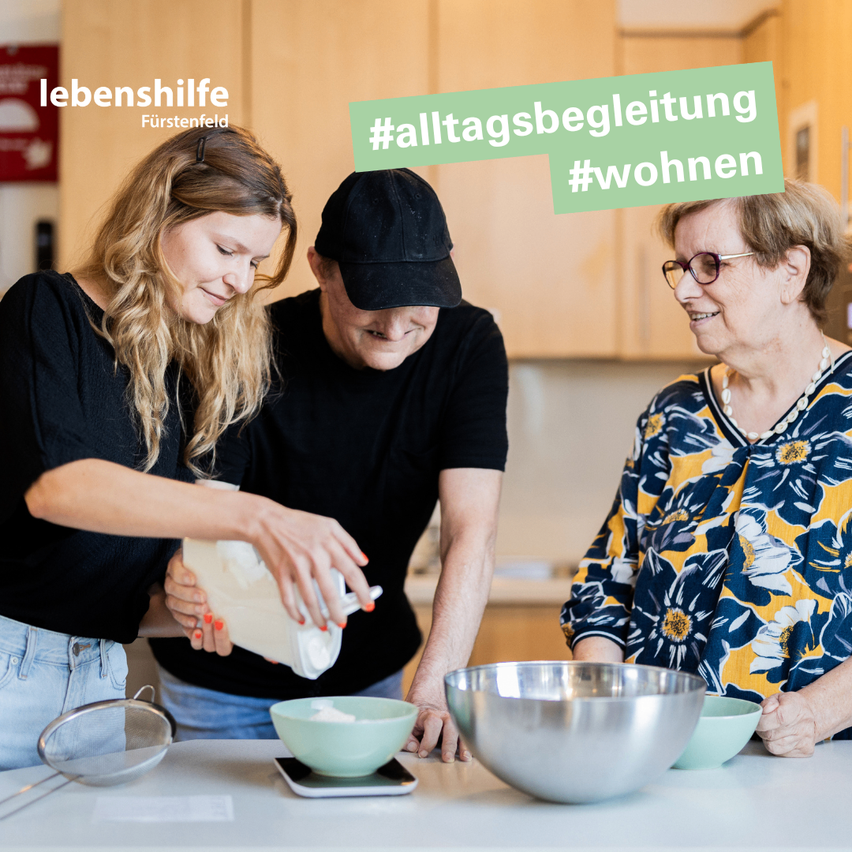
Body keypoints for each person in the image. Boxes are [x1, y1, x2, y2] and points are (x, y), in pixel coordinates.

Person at [0, 126, 372, 770]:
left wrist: (186, 604)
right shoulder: (45, 310)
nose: (238, 280)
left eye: (254, 264)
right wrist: (262, 518)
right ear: (161, 212)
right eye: (226, 249)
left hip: (97, 681)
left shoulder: (189, 367)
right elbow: (59, 487)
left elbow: (127, 593)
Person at [151, 168, 509, 762]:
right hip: (223, 683)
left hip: (368, 682)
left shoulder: (467, 344)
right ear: (320, 267)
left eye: (419, 298)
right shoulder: (250, 342)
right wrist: (190, 578)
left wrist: (435, 688)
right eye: (371, 298)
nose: (396, 327)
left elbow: (472, 528)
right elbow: (210, 515)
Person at [561, 179, 852, 757]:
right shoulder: (676, 412)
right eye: (680, 267)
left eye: (710, 265)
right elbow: (607, 577)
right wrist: (604, 691)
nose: (684, 290)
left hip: (815, 768)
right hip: (658, 758)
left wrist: (818, 712)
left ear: (791, 271)